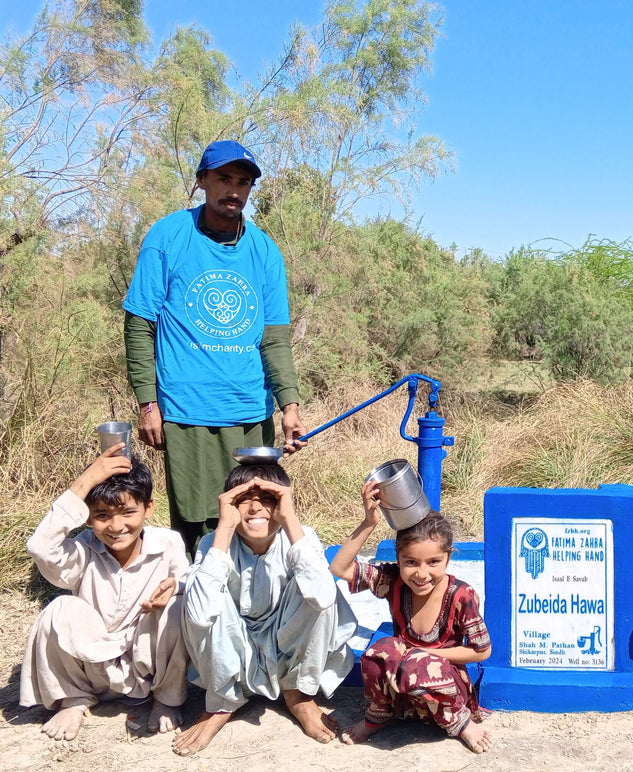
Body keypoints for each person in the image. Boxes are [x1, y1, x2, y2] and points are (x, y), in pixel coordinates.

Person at [123, 139, 307, 554]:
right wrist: (148, 404)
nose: (234, 190)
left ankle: (251, 609)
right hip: (187, 411)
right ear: (202, 180)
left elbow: (274, 338)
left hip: (249, 414)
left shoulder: (264, 251)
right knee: (197, 521)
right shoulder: (169, 236)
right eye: (224, 178)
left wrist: (289, 405)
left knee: (256, 516)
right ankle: (200, 606)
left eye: (243, 182)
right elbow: (139, 326)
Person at [173, 463, 356, 756]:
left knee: (318, 587)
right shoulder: (214, 542)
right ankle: (222, 702)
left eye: (268, 499)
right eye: (244, 499)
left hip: (286, 642)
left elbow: (323, 598)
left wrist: (290, 520)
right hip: (235, 645)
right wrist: (224, 529)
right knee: (199, 594)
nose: (255, 508)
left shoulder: (299, 535)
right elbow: (198, 615)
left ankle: (298, 694)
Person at [20, 445, 188, 741]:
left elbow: (189, 583)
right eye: (102, 515)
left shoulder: (168, 543)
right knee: (59, 609)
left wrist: (175, 587)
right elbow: (40, 547)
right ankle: (73, 699)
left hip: (145, 670)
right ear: (87, 517)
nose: (116, 526)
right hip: (92, 669)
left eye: (127, 512)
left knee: (179, 605)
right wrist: (83, 483)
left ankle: (167, 698)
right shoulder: (82, 550)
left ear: (148, 508)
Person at [330, 485, 493, 753]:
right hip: (403, 690)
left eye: (433, 562)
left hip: (444, 689)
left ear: (448, 557)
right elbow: (340, 568)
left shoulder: (460, 595)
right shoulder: (393, 581)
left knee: (419, 663)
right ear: (398, 559)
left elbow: (482, 651)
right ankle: (379, 716)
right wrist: (369, 522)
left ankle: (461, 724)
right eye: (411, 562)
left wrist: (425, 653)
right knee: (377, 652)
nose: (421, 574)